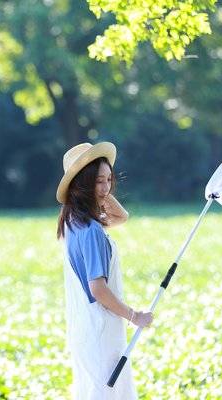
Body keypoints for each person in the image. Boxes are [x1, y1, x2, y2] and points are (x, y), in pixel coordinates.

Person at [56, 142, 154, 399]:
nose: (107, 187)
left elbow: (121, 217)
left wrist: (97, 191)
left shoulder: (71, 223)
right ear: (81, 184)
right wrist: (134, 316)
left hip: (85, 328)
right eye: (98, 181)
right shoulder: (91, 231)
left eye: (109, 180)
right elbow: (98, 288)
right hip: (101, 329)